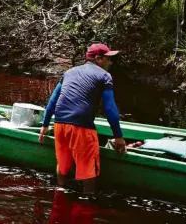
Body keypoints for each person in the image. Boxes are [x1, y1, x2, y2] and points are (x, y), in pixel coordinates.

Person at [38, 43, 126, 193]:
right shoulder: (104, 76)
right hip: (81, 127)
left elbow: (53, 100)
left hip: (59, 124)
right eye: (108, 59)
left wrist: (45, 124)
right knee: (88, 172)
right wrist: (118, 136)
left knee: (63, 166)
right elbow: (110, 108)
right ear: (98, 59)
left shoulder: (69, 72)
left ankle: (61, 193)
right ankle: (86, 203)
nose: (110, 63)